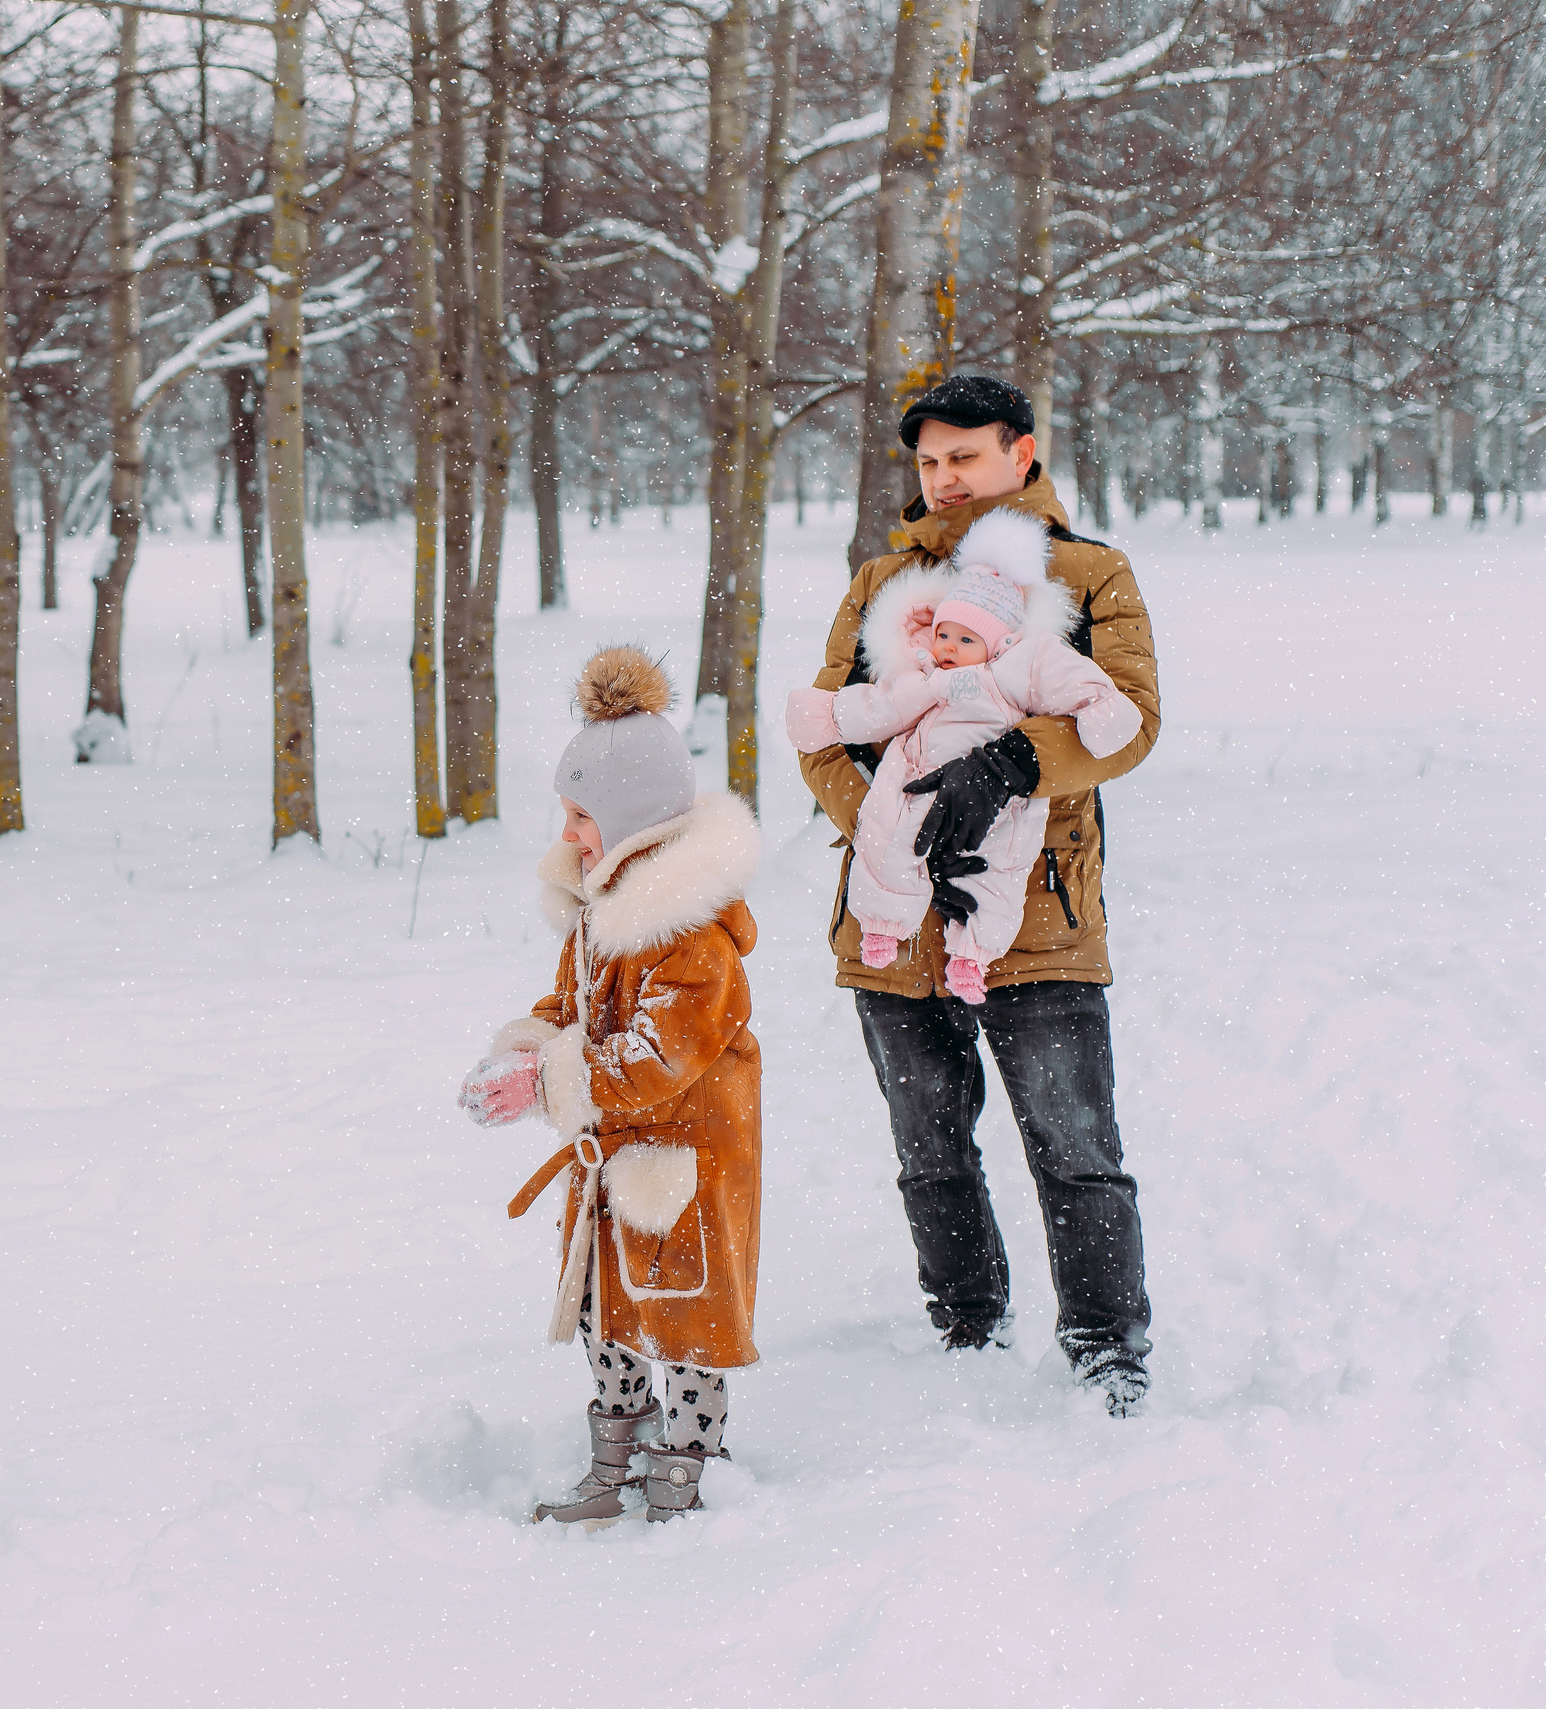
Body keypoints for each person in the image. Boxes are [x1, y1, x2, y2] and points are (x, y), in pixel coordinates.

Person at [795, 373, 1160, 1415]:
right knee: (928, 1147)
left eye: (965, 454)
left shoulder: (1089, 575)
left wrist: (1007, 770)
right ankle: (965, 1323)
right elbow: (827, 721)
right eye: (928, 460)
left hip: (1038, 910)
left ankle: (1105, 1349)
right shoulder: (880, 582)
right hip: (890, 916)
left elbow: (1127, 722)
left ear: (1022, 454)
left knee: (1076, 1146)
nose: (944, 476)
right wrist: (891, 817)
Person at [460, 646, 763, 1525]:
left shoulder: (691, 939)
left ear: (631, 820)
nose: (569, 834)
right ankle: (617, 1455)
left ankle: (692, 1458)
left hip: (686, 1168)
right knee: (607, 1313)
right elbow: (569, 1008)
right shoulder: (598, 917)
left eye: (581, 815)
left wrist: (556, 1086)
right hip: (614, 1164)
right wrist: (524, 1053)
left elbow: (657, 1056)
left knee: (685, 1323)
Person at [786, 507, 1142, 1005]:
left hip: (1008, 825)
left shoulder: (1021, 664)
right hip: (912, 781)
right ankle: (882, 924)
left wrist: (1087, 721)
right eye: (945, 634)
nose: (950, 647)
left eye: (967, 639)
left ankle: (973, 953)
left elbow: (1091, 693)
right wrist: (829, 715)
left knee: (1000, 865)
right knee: (886, 838)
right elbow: (882, 706)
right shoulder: (922, 669)